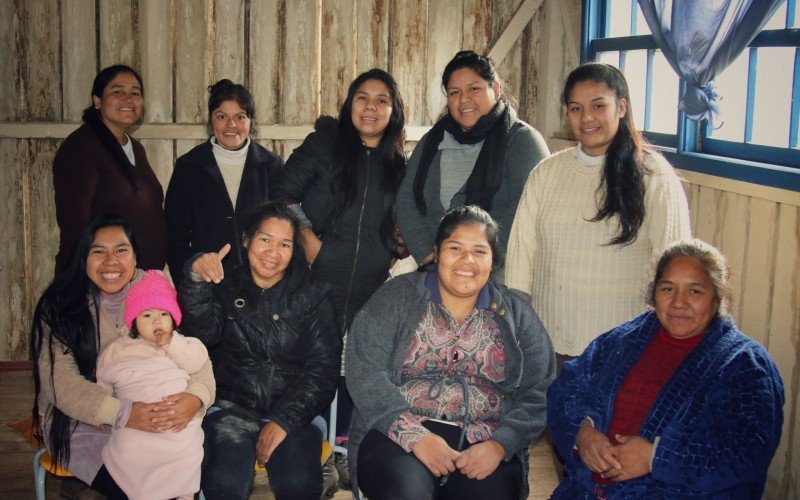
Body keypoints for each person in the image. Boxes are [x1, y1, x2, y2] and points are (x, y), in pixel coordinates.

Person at [346, 205, 556, 500]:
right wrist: (413, 435)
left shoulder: (517, 316)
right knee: (408, 492)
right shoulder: (396, 298)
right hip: (398, 433)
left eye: (480, 251)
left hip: (483, 442)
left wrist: (501, 444)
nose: (466, 260)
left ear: (493, 260)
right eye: (455, 247)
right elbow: (364, 370)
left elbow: (540, 390)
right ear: (436, 252)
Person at [547, 239, 785, 498]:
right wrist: (582, 433)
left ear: (717, 297)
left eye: (695, 291)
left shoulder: (745, 365)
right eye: (668, 289)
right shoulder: (624, 339)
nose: (679, 302)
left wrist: (656, 457)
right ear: (654, 293)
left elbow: (744, 451)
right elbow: (566, 390)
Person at [505, 62, 691, 365]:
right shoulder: (547, 172)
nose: (587, 117)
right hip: (551, 342)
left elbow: (673, 261)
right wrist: (521, 322)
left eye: (598, 105)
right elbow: (522, 249)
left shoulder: (654, 175)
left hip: (624, 347)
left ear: (621, 107)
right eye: (576, 108)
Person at [274, 68, 407, 486]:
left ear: (394, 110)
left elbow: (402, 222)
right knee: (316, 365)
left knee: (356, 367)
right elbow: (282, 194)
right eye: (362, 98)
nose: (371, 107)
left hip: (370, 284)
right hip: (315, 279)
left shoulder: (398, 164)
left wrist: (395, 248)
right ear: (349, 105)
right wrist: (308, 238)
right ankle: (318, 451)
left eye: (381, 100)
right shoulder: (324, 145)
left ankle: (347, 450)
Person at [30, 214, 215, 498]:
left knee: (185, 470)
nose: (110, 261)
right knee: (135, 488)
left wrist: (196, 397)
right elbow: (60, 382)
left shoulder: (153, 289)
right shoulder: (61, 303)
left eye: (121, 250)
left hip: (154, 410)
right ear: (83, 257)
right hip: (82, 420)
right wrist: (123, 413)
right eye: (98, 251)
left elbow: (193, 352)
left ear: (135, 255)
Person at [179, 202, 341, 500]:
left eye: (285, 244)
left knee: (299, 485)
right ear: (246, 239)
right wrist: (196, 280)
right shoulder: (224, 285)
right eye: (265, 239)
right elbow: (202, 339)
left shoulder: (315, 294)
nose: (273, 252)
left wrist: (285, 420)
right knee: (224, 484)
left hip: (296, 412)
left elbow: (324, 368)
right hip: (230, 409)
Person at [396, 50, 549, 280]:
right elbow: (406, 198)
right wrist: (428, 254)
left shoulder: (522, 141)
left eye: (474, 89)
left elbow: (525, 214)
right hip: (433, 274)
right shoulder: (432, 140)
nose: (464, 99)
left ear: (496, 90)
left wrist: (474, 263)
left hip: (495, 280)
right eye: (454, 92)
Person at [96, 270, 208, 500]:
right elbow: (103, 379)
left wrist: (172, 342)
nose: (156, 320)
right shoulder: (119, 348)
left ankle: (184, 492)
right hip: (136, 420)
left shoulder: (183, 343)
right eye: (146, 315)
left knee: (188, 445)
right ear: (134, 322)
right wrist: (102, 410)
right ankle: (139, 493)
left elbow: (197, 363)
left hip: (178, 422)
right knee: (128, 449)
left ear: (174, 319)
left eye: (164, 314)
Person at [165, 79, 283, 285]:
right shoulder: (189, 167)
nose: (231, 125)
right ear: (211, 122)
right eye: (222, 116)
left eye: (240, 117)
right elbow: (174, 235)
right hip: (207, 285)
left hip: (260, 285)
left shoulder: (271, 166)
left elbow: (284, 230)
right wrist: (191, 270)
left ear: (251, 121)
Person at [53, 65, 168, 272]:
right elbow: (75, 224)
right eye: (118, 92)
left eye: (135, 93)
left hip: (136, 281)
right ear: (97, 100)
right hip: (103, 280)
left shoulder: (135, 148)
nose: (128, 99)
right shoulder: (81, 147)